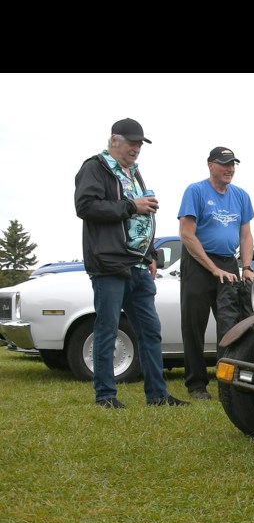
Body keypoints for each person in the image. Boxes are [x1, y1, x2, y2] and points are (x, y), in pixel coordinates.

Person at [74, 118, 189, 408]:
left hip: (138, 266)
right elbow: (85, 207)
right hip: (110, 264)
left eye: (139, 144)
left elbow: (141, 220)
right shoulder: (94, 168)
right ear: (114, 140)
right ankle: (105, 396)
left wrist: (149, 254)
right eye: (131, 142)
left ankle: (158, 395)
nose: (136, 148)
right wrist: (131, 206)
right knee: (107, 329)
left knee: (151, 331)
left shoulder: (134, 173)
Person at [178, 147, 254, 400]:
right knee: (194, 325)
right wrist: (213, 269)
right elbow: (187, 234)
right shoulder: (196, 191)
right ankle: (196, 384)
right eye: (224, 164)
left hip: (229, 264)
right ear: (211, 165)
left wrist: (246, 267)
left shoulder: (241, 196)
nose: (229, 169)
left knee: (231, 325)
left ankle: (228, 381)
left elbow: (246, 234)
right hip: (199, 265)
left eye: (233, 164)